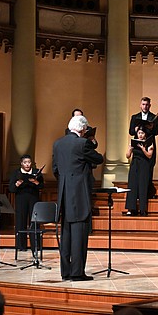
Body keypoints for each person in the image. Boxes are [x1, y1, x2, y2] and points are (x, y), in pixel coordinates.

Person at [53, 115, 104, 281]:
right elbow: (98, 158)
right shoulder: (82, 143)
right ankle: (77, 272)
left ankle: (65, 272)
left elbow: (55, 170)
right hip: (79, 195)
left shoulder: (58, 143)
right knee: (79, 234)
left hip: (63, 193)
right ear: (83, 129)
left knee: (66, 234)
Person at [8, 154, 44, 252]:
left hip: (34, 199)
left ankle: (35, 246)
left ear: (31, 163)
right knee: (20, 221)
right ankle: (21, 246)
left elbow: (41, 186)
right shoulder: (16, 173)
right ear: (21, 163)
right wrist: (17, 184)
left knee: (34, 222)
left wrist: (36, 182)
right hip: (21, 199)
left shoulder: (36, 172)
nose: (27, 164)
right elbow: (11, 188)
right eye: (25, 162)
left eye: (29, 162)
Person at [129, 97, 158, 198]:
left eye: (147, 104)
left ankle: (148, 192)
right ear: (140, 105)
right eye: (143, 104)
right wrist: (136, 129)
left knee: (149, 168)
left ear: (149, 105)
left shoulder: (154, 117)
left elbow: (156, 132)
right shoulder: (135, 117)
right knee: (137, 169)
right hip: (138, 146)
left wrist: (150, 128)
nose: (145, 106)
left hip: (149, 144)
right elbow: (131, 132)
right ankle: (137, 193)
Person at [125, 126, 154, 216]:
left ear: (145, 134)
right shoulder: (133, 143)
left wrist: (143, 149)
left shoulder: (149, 143)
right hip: (134, 165)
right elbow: (127, 156)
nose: (140, 135)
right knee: (132, 185)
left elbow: (149, 155)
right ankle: (131, 208)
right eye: (139, 133)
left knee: (143, 186)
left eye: (142, 133)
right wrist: (130, 150)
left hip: (144, 165)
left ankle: (142, 209)